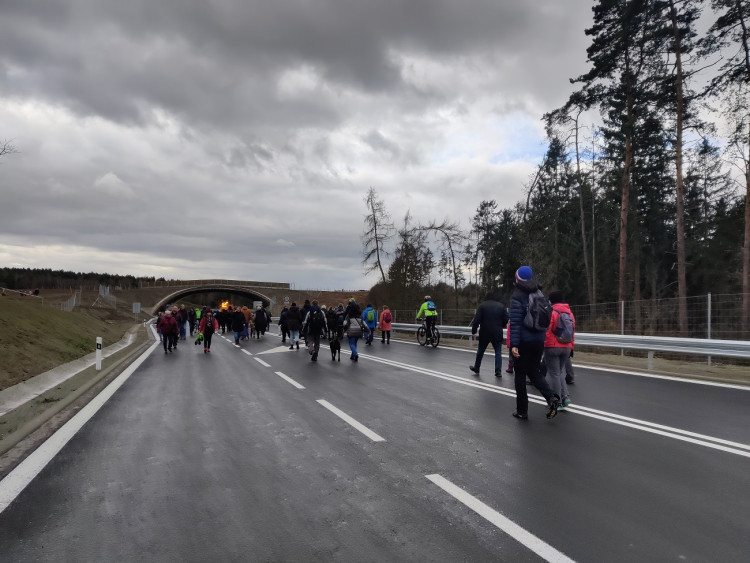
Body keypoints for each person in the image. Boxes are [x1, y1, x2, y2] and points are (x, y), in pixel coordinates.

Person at [509, 266, 560, 420]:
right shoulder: (539, 293)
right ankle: (551, 397)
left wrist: (514, 344)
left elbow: (516, 323)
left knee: (520, 375)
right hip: (538, 341)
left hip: (523, 342)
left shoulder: (517, 296)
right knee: (534, 372)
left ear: (517, 279)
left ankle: (522, 411)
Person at [544, 291, 575, 410]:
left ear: (552, 300)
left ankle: (558, 402)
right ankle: (565, 396)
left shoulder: (551, 312)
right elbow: (573, 332)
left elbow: (547, 330)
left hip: (552, 347)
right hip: (566, 347)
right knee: (560, 372)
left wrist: (544, 344)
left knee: (555, 374)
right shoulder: (570, 313)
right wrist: (571, 346)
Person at [469, 290, 509, 377]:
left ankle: (477, 368)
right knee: (498, 352)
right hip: (497, 332)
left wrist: (474, 331)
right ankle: (498, 371)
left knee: (480, 351)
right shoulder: (501, 306)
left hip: (485, 332)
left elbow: (476, 320)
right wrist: (501, 325)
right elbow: (506, 318)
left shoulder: (482, 306)